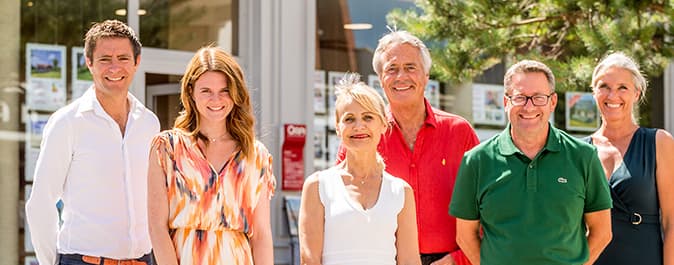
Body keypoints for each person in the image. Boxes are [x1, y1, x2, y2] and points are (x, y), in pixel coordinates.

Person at [450, 60, 614, 265]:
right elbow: (465, 236)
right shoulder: (476, 161)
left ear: (552, 102)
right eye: (520, 97)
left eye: (538, 98)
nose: (529, 107)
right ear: (505, 102)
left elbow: (602, 232)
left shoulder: (584, 156)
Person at [337, 30, 479, 265]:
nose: (401, 76)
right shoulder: (363, 136)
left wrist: (459, 260)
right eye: (391, 69)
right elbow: (341, 206)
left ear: (426, 75)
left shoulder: (459, 132)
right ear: (381, 79)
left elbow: (486, 209)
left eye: (410, 67)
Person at [25, 20, 160, 265]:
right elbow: (41, 203)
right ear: (89, 63)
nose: (114, 67)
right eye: (105, 59)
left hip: (143, 260)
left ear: (136, 62)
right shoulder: (67, 122)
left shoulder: (149, 124)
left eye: (123, 58)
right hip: (83, 261)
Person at [147, 46, 275, 265]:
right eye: (206, 91)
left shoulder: (256, 155)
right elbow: (156, 227)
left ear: (236, 94)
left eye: (224, 91)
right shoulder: (167, 148)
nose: (216, 99)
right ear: (191, 93)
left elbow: (261, 235)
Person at [299, 73, 420, 265]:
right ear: (338, 128)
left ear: (383, 125)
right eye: (349, 119)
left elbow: (410, 261)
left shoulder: (401, 191)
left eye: (368, 117)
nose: (359, 126)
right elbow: (309, 260)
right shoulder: (317, 186)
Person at [587, 52, 674, 265]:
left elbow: (671, 220)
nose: (612, 95)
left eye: (622, 87)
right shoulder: (578, 150)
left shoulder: (659, 142)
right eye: (604, 86)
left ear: (637, 93)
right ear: (594, 92)